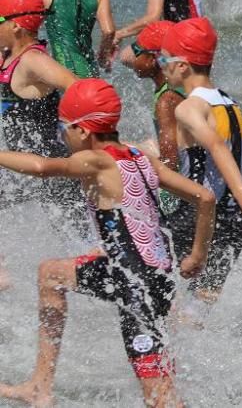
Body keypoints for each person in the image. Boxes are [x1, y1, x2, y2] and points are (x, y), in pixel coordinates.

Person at [0, 78, 216, 407]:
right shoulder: (139, 156)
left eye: (63, 128)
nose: (62, 136)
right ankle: (40, 388)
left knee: (160, 398)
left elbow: (43, 167)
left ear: (83, 130)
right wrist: (198, 254)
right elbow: (204, 197)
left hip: (138, 288)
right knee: (52, 274)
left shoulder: (99, 161)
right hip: (144, 274)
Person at [160, 18, 242, 320]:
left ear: (182, 65)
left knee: (170, 308)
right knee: (200, 308)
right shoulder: (229, 102)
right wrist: (241, 199)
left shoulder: (188, 107)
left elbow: (216, 147)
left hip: (197, 219)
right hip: (232, 222)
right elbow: (229, 152)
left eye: (164, 59)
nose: (161, 66)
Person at [0, 0, 89, 284]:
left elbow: (80, 89)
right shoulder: (10, 56)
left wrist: (85, 140)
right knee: (75, 236)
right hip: (24, 166)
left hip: (51, 167)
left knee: (81, 239)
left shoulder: (33, 61)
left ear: (15, 25)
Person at [130, 20, 184, 171]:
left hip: (183, 186)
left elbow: (171, 164)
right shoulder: (181, 85)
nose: (133, 58)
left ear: (153, 58)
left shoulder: (167, 99)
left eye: (137, 51)